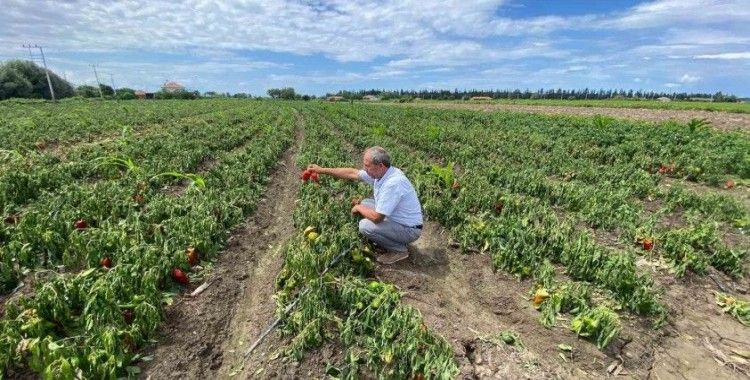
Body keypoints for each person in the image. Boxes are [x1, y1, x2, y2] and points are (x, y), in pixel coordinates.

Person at [306, 146, 423, 264]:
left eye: (367, 166)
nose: (364, 169)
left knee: (365, 226)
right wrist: (321, 170)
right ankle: (390, 239)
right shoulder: (383, 173)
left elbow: (377, 218)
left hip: (409, 229)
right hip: (397, 219)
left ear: (380, 165)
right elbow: (352, 173)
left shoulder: (392, 183)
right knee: (365, 203)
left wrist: (359, 208)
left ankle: (399, 250)